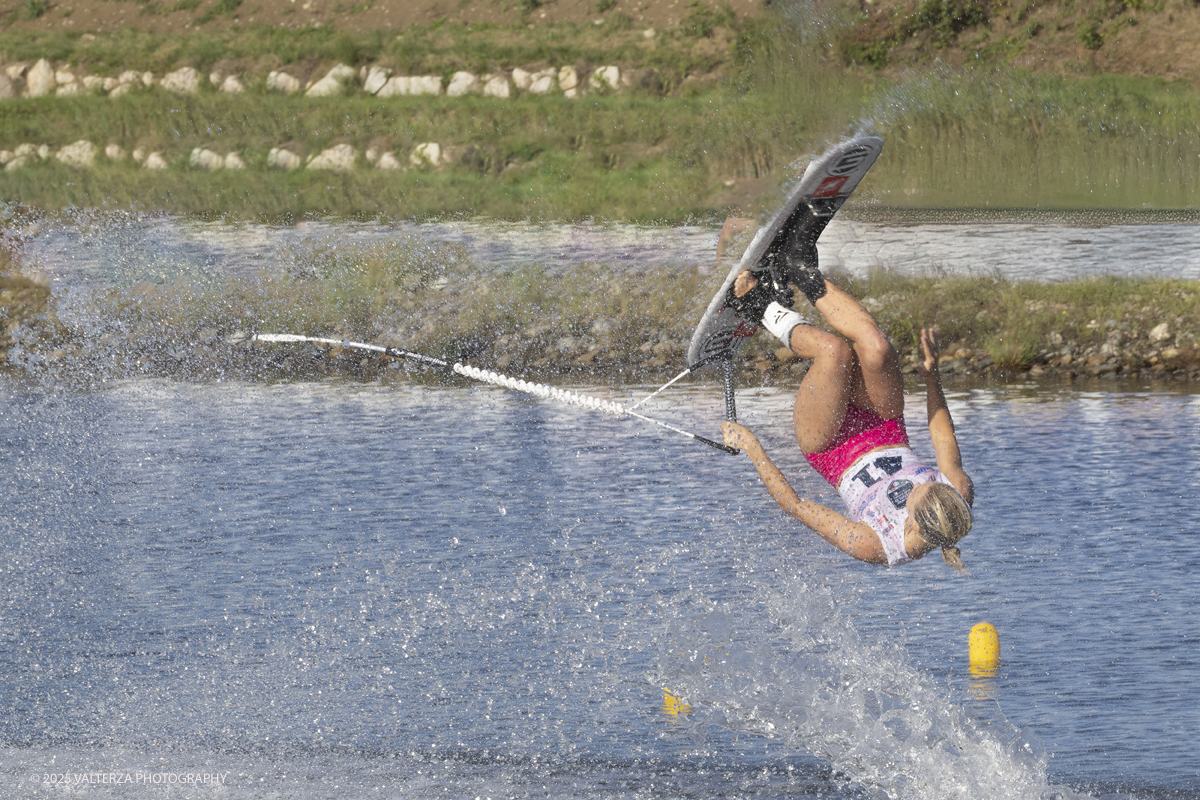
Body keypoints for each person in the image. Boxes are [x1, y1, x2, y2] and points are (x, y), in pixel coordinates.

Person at [719, 262, 974, 571]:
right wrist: (933, 378)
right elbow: (942, 435)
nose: (922, 482)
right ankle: (800, 269)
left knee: (833, 351)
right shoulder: (957, 492)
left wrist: (751, 447)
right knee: (876, 346)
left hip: (830, 447)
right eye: (931, 483)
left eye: (920, 490)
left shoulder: (876, 544)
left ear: (915, 526)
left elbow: (796, 505)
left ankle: (758, 306)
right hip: (886, 425)